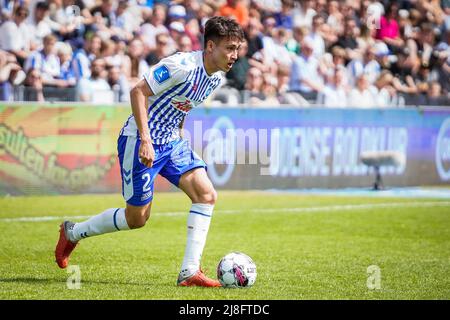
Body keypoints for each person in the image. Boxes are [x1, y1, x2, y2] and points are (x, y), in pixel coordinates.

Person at [55, 16, 245, 287]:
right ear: (211, 46)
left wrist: (178, 132)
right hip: (140, 140)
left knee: (206, 194)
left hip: (171, 143)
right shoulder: (181, 66)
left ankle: (189, 272)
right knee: (137, 219)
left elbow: (182, 104)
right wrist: (146, 140)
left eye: (237, 48)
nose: (235, 55)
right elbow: (138, 91)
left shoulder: (214, 79)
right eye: (230, 48)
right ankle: (73, 232)